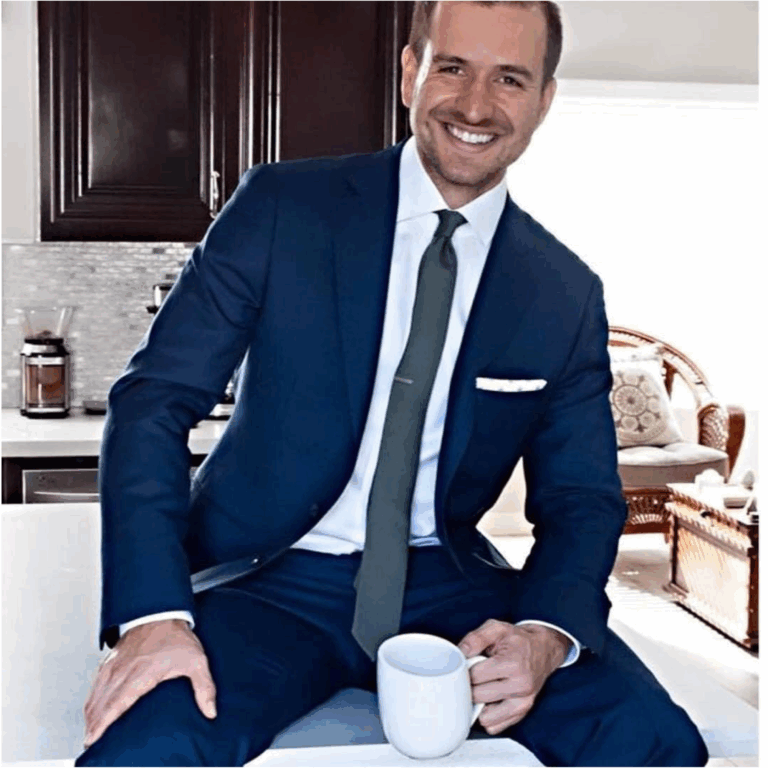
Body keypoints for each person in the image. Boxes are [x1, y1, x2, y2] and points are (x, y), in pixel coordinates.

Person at [76, 2, 708, 766]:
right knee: (146, 748)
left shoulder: (564, 292)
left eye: (509, 79)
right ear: (409, 70)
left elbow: (582, 499)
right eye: (452, 67)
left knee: (653, 740)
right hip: (265, 580)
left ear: (543, 99)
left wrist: (546, 632)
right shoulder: (282, 209)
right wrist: (152, 615)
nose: (476, 106)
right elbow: (154, 402)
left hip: (448, 590)